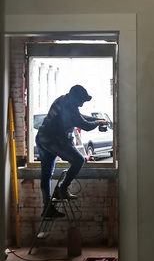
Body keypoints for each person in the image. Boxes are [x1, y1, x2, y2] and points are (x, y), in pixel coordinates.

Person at [35, 85, 108, 218]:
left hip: (42, 138)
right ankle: (62, 189)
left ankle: (47, 208)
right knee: (79, 160)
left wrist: (97, 120)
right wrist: (98, 123)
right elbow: (84, 125)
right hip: (54, 140)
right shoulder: (69, 107)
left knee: (46, 175)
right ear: (75, 98)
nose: (82, 104)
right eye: (81, 100)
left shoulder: (63, 100)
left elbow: (80, 117)